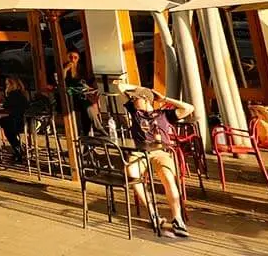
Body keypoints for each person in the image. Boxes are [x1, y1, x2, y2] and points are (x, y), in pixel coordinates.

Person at [120, 84, 193, 238]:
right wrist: (140, 89)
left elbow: (189, 108)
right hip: (140, 153)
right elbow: (121, 87)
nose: (133, 101)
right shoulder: (135, 113)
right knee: (131, 173)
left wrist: (164, 98)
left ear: (146, 100)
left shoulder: (164, 115)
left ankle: (177, 219)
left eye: (136, 98)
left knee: (167, 178)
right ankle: (153, 214)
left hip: (160, 152)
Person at [63, 50, 103, 135]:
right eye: (70, 57)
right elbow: (61, 80)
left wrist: (87, 87)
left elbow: (86, 82)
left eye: (75, 57)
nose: (72, 59)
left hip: (81, 95)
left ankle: (87, 134)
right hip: (70, 96)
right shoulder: (64, 67)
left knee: (86, 107)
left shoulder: (81, 68)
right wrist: (66, 70)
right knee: (86, 105)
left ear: (78, 58)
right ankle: (97, 128)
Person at [0, 76, 29, 162]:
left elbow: (5, 106)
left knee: (5, 124)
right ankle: (18, 148)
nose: (6, 86)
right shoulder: (22, 94)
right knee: (6, 123)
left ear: (12, 85)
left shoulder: (13, 95)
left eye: (7, 84)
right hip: (25, 121)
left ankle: (18, 150)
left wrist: (5, 95)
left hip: (17, 122)